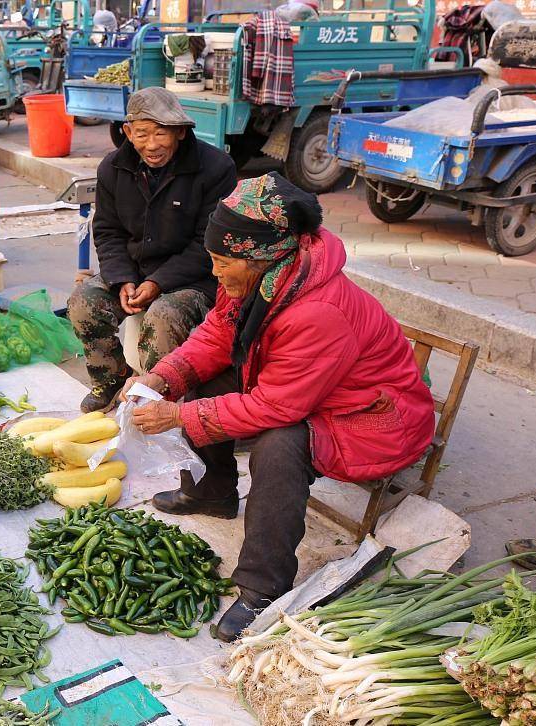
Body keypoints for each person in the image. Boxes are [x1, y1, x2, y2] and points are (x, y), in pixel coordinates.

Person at [121, 172, 435, 642]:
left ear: (261, 256)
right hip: (318, 393)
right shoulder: (259, 276)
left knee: (279, 446)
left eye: (222, 261)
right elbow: (215, 337)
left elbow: (277, 407)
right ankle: (212, 493)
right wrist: (164, 377)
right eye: (213, 258)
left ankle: (261, 589)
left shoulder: (318, 310)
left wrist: (178, 415)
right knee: (203, 383)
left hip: (374, 420)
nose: (215, 272)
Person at [68, 87, 237, 413]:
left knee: (163, 317)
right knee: (83, 301)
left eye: (161, 133)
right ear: (128, 132)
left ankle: (159, 401)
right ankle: (111, 380)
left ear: (180, 132)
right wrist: (121, 279)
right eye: (142, 133)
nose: (152, 144)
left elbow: (209, 244)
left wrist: (158, 283)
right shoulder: (113, 168)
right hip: (135, 268)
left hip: (195, 278)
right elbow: (107, 231)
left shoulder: (216, 168)